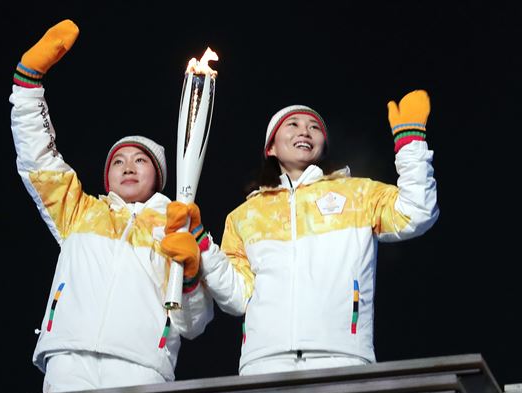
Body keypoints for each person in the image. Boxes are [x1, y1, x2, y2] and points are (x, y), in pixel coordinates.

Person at [161, 90, 439, 375]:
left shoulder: (359, 194)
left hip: (342, 356)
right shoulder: (245, 217)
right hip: (264, 363)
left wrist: (410, 143)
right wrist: (199, 240)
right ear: (271, 148)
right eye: (292, 125)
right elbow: (237, 296)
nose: (304, 131)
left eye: (314, 127)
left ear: (323, 145)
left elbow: (416, 212)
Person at [9, 19, 213, 393]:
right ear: (108, 177)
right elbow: (39, 160)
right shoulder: (81, 212)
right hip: (68, 360)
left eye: (141, 160)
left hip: (141, 366)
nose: (128, 166)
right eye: (119, 161)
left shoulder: (175, 225)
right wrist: (27, 85)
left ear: (158, 175)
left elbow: (194, 324)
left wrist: (189, 278)